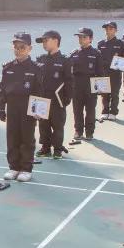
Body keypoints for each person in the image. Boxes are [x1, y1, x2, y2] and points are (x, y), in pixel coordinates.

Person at [0, 33, 45, 181]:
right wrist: (1, 107)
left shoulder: (36, 68)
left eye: (22, 47)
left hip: (28, 107)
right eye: (16, 47)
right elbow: (3, 89)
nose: (18, 50)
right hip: (12, 107)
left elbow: (40, 90)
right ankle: (14, 167)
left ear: (29, 48)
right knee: (12, 137)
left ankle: (26, 168)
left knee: (27, 138)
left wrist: (38, 110)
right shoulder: (8, 67)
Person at [34, 30, 72, 160]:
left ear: (56, 41)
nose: (43, 43)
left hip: (57, 99)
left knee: (57, 125)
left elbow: (69, 81)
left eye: (46, 40)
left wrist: (66, 99)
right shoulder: (40, 59)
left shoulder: (65, 60)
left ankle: (57, 149)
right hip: (42, 98)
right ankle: (45, 148)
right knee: (43, 125)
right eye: (42, 41)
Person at [68, 27, 102, 143]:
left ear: (90, 39)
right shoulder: (74, 54)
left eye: (84, 37)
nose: (81, 39)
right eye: (79, 37)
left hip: (91, 85)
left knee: (90, 110)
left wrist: (101, 90)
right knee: (77, 110)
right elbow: (68, 72)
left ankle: (89, 132)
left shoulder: (96, 54)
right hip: (76, 86)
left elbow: (101, 72)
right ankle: (78, 131)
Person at [96, 21, 124, 121]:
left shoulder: (120, 43)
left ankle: (113, 112)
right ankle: (105, 111)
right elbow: (97, 59)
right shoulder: (100, 44)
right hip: (103, 72)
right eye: (106, 29)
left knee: (114, 93)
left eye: (110, 29)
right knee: (104, 94)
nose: (108, 31)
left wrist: (119, 64)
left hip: (115, 73)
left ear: (116, 30)